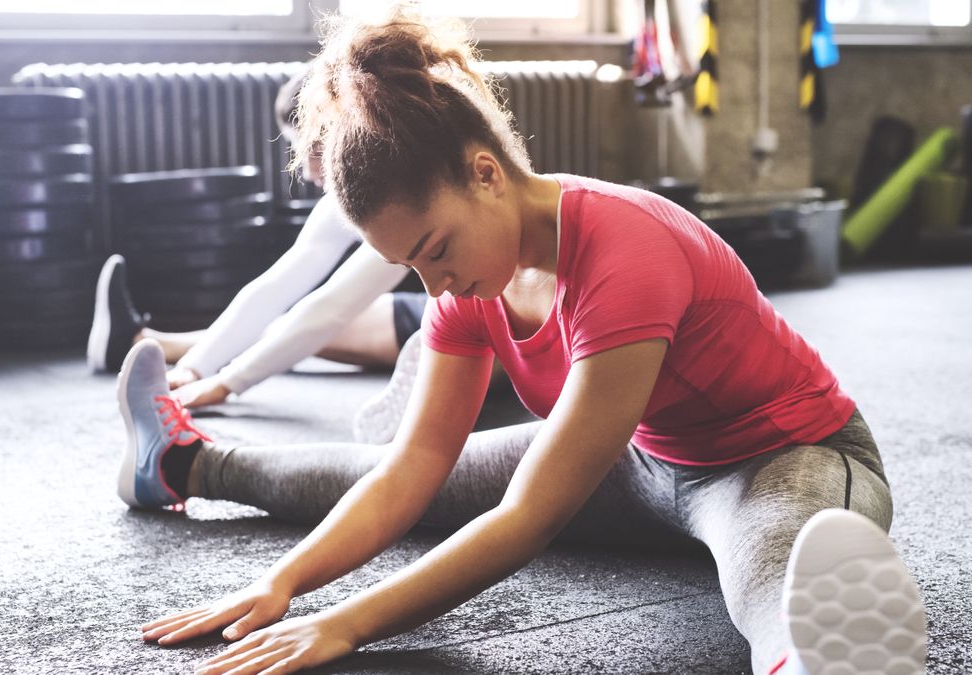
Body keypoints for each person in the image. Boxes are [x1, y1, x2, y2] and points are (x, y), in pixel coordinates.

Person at [112, 7, 927, 675]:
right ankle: (177, 460)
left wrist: (346, 624)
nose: (433, 288)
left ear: (486, 173)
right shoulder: (471, 283)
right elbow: (408, 473)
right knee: (376, 468)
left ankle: (818, 661)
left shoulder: (627, 247)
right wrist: (284, 582)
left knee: (775, 581)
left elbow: (530, 513)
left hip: (776, 456)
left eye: (434, 251)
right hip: (641, 457)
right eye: (409, 266)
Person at [86, 71, 430, 444]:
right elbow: (281, 280)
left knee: (320, 323)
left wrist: (228, 383)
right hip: (423, 305)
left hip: (487, 315)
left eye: (313, 148)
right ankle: (148, 342)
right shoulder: (347, 193)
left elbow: (335, 306)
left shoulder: (403, 190)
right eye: (296, 150)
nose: (307, 170)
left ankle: (445, 376)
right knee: (289, 324)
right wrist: (196, 368)